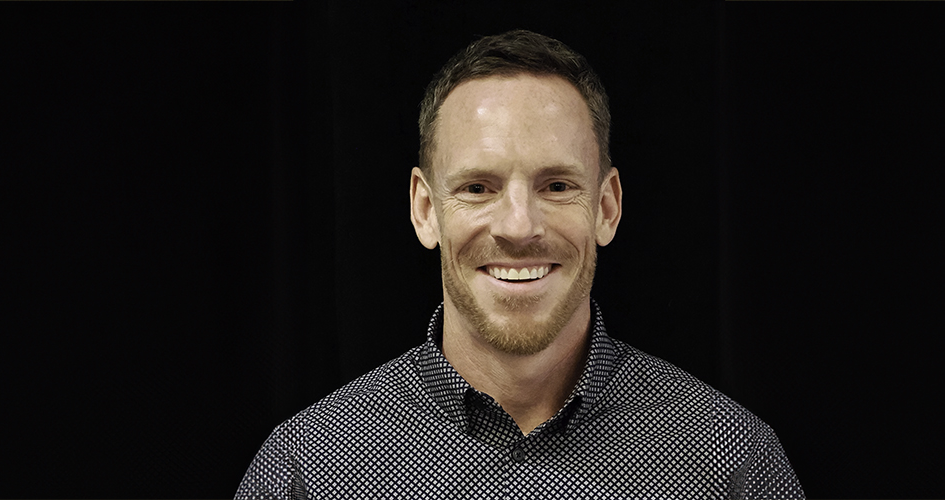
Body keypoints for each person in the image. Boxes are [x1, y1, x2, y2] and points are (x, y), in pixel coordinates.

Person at [235, 29, 804, 499]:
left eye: (556, 186)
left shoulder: (732, 459)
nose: (517, 226)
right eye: (478, 188)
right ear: (426, 211)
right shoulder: (305, 468)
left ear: (606, 208)